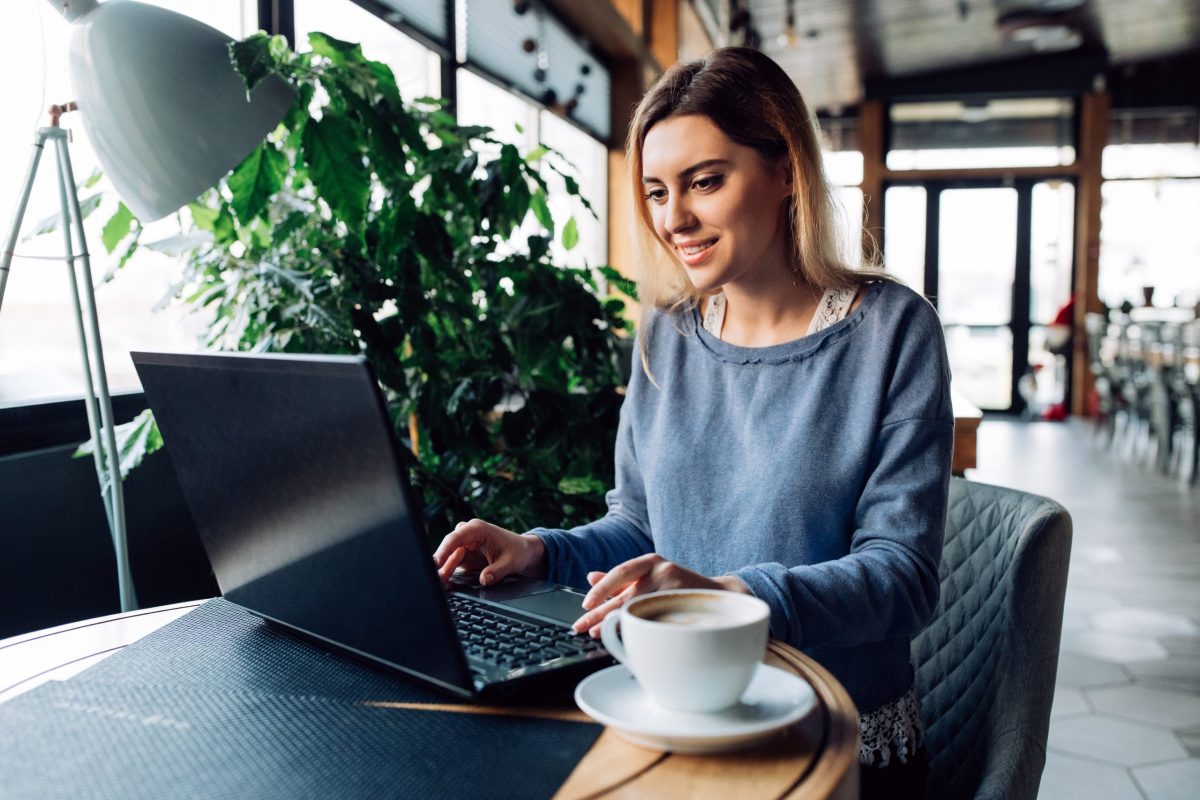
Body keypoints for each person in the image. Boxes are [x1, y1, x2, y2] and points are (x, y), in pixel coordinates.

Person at [433, 47, 952, 797]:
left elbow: (904, 579)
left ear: (785, 173)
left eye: (705, 182)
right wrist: (540, 552)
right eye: (655, 191)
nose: (675, 219)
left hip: (833, 742)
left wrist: (730, 597)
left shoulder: (893, 332)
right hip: (674, 712)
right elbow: (642, 531)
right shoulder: (665, 336)